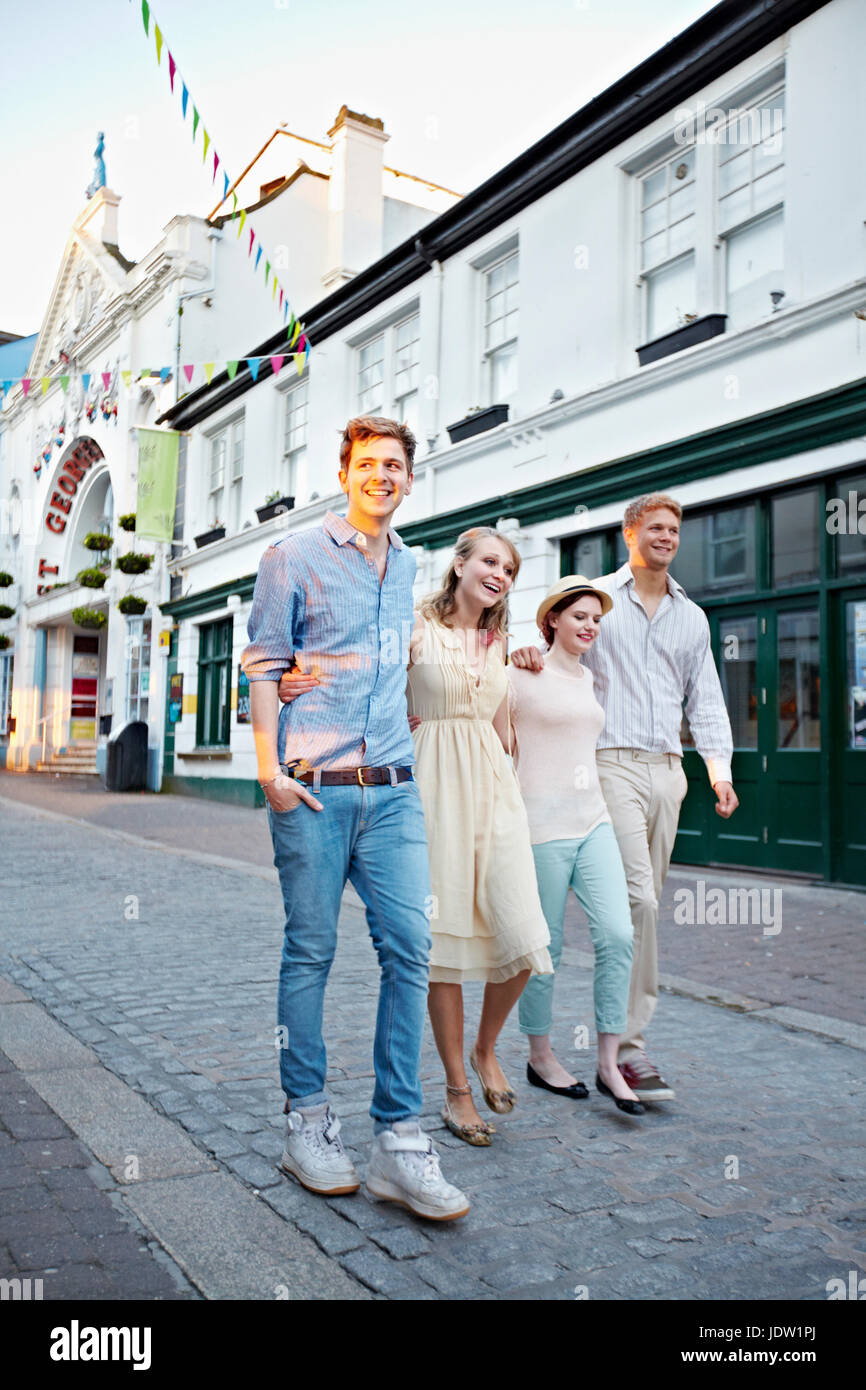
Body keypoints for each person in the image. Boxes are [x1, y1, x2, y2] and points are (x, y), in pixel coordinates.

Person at [241, 415, 468, 1222]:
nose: (383, 475)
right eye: (369, 463)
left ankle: (399, 1142)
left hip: (395, 789)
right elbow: (264, 666)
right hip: (312, 786)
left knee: (412, 947)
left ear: (410, 478)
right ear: (345, 474)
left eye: (396, 465)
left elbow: (430, 643)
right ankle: (306, 1123)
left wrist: (515, 651)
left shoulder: (408, 561)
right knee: (311, 950)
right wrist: (269, 770)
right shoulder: (292, 555)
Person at [511, 494, 738, 1101]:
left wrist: (719, 769)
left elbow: (707, 698)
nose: (666, 537)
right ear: (630, 533)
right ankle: (628, 1054)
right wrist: (525, 652)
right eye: (655, 528)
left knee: (645, 907)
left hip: (669, 768)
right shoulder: (598, 602)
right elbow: (559, 650)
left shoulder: (692, 616)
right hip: (606, 765)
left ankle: (621, 1042)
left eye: (674, 530)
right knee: (635, 900)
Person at [405, 528, 554, 1145]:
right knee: (442, 947)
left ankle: (486, 1048)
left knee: (523, 934)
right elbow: (380, 698)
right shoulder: (413, 626)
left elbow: (503, 728)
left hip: (494, 791)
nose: (501, 574)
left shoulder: (500, 643)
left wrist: (519, 797)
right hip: (430, 787)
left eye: (511, 568)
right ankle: (456, 1092)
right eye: (491, 561)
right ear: (460, 565)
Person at [505, 578, 643, 1115]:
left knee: (618, 932)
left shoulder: (588, 678)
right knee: (546, 946)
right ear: (553, 621)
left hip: (593, 821)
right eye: (579, 616)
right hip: (539, 826)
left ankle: (609, 1063)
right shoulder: (520, 671)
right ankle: (540, 1055)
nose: (589, 626)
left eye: (596, 619)